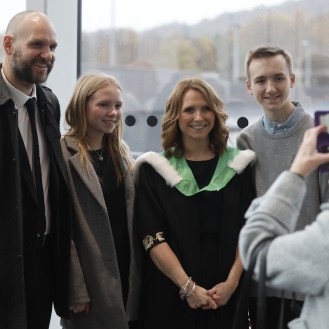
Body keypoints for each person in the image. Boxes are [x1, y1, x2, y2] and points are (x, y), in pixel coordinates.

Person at [134, 77, 255, 329]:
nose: (198, 117)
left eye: (206, 108)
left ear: (216, 113)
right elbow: (152, 238)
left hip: (225, 295)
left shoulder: (239, 166)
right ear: (175, 116)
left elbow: (250, 231)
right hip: (170, 294)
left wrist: (231, 284)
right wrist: (188, 289)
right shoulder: (154, 170)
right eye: (189, 109)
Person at [236, 44, 329, 328]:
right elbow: (248, 211)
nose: (270, 87)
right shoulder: (246, 140)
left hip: (310, 269)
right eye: (261, 80)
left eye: (278, 77)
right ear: (250, 87)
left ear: (292, 80)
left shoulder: (318, 134)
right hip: (266, 278)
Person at [0, 10, 72, 329]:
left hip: (42, 264)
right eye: (38, 44)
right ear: (8, 44)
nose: (47, 55)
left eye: (53, 47)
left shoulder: (49, 103)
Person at [60, 73, 141, 329]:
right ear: (82, 105)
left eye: (117, 106)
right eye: (103, 104)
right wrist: (76, 289)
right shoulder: (62, 154)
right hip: (91, 282)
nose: (113, 113)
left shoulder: (121, 153)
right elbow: (64, 230)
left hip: (126, 270)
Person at [239, 125, 329, 329]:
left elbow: (256, 252)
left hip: (294, 269)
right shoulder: (247, 138)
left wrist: (296, 173)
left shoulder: (312, 136)